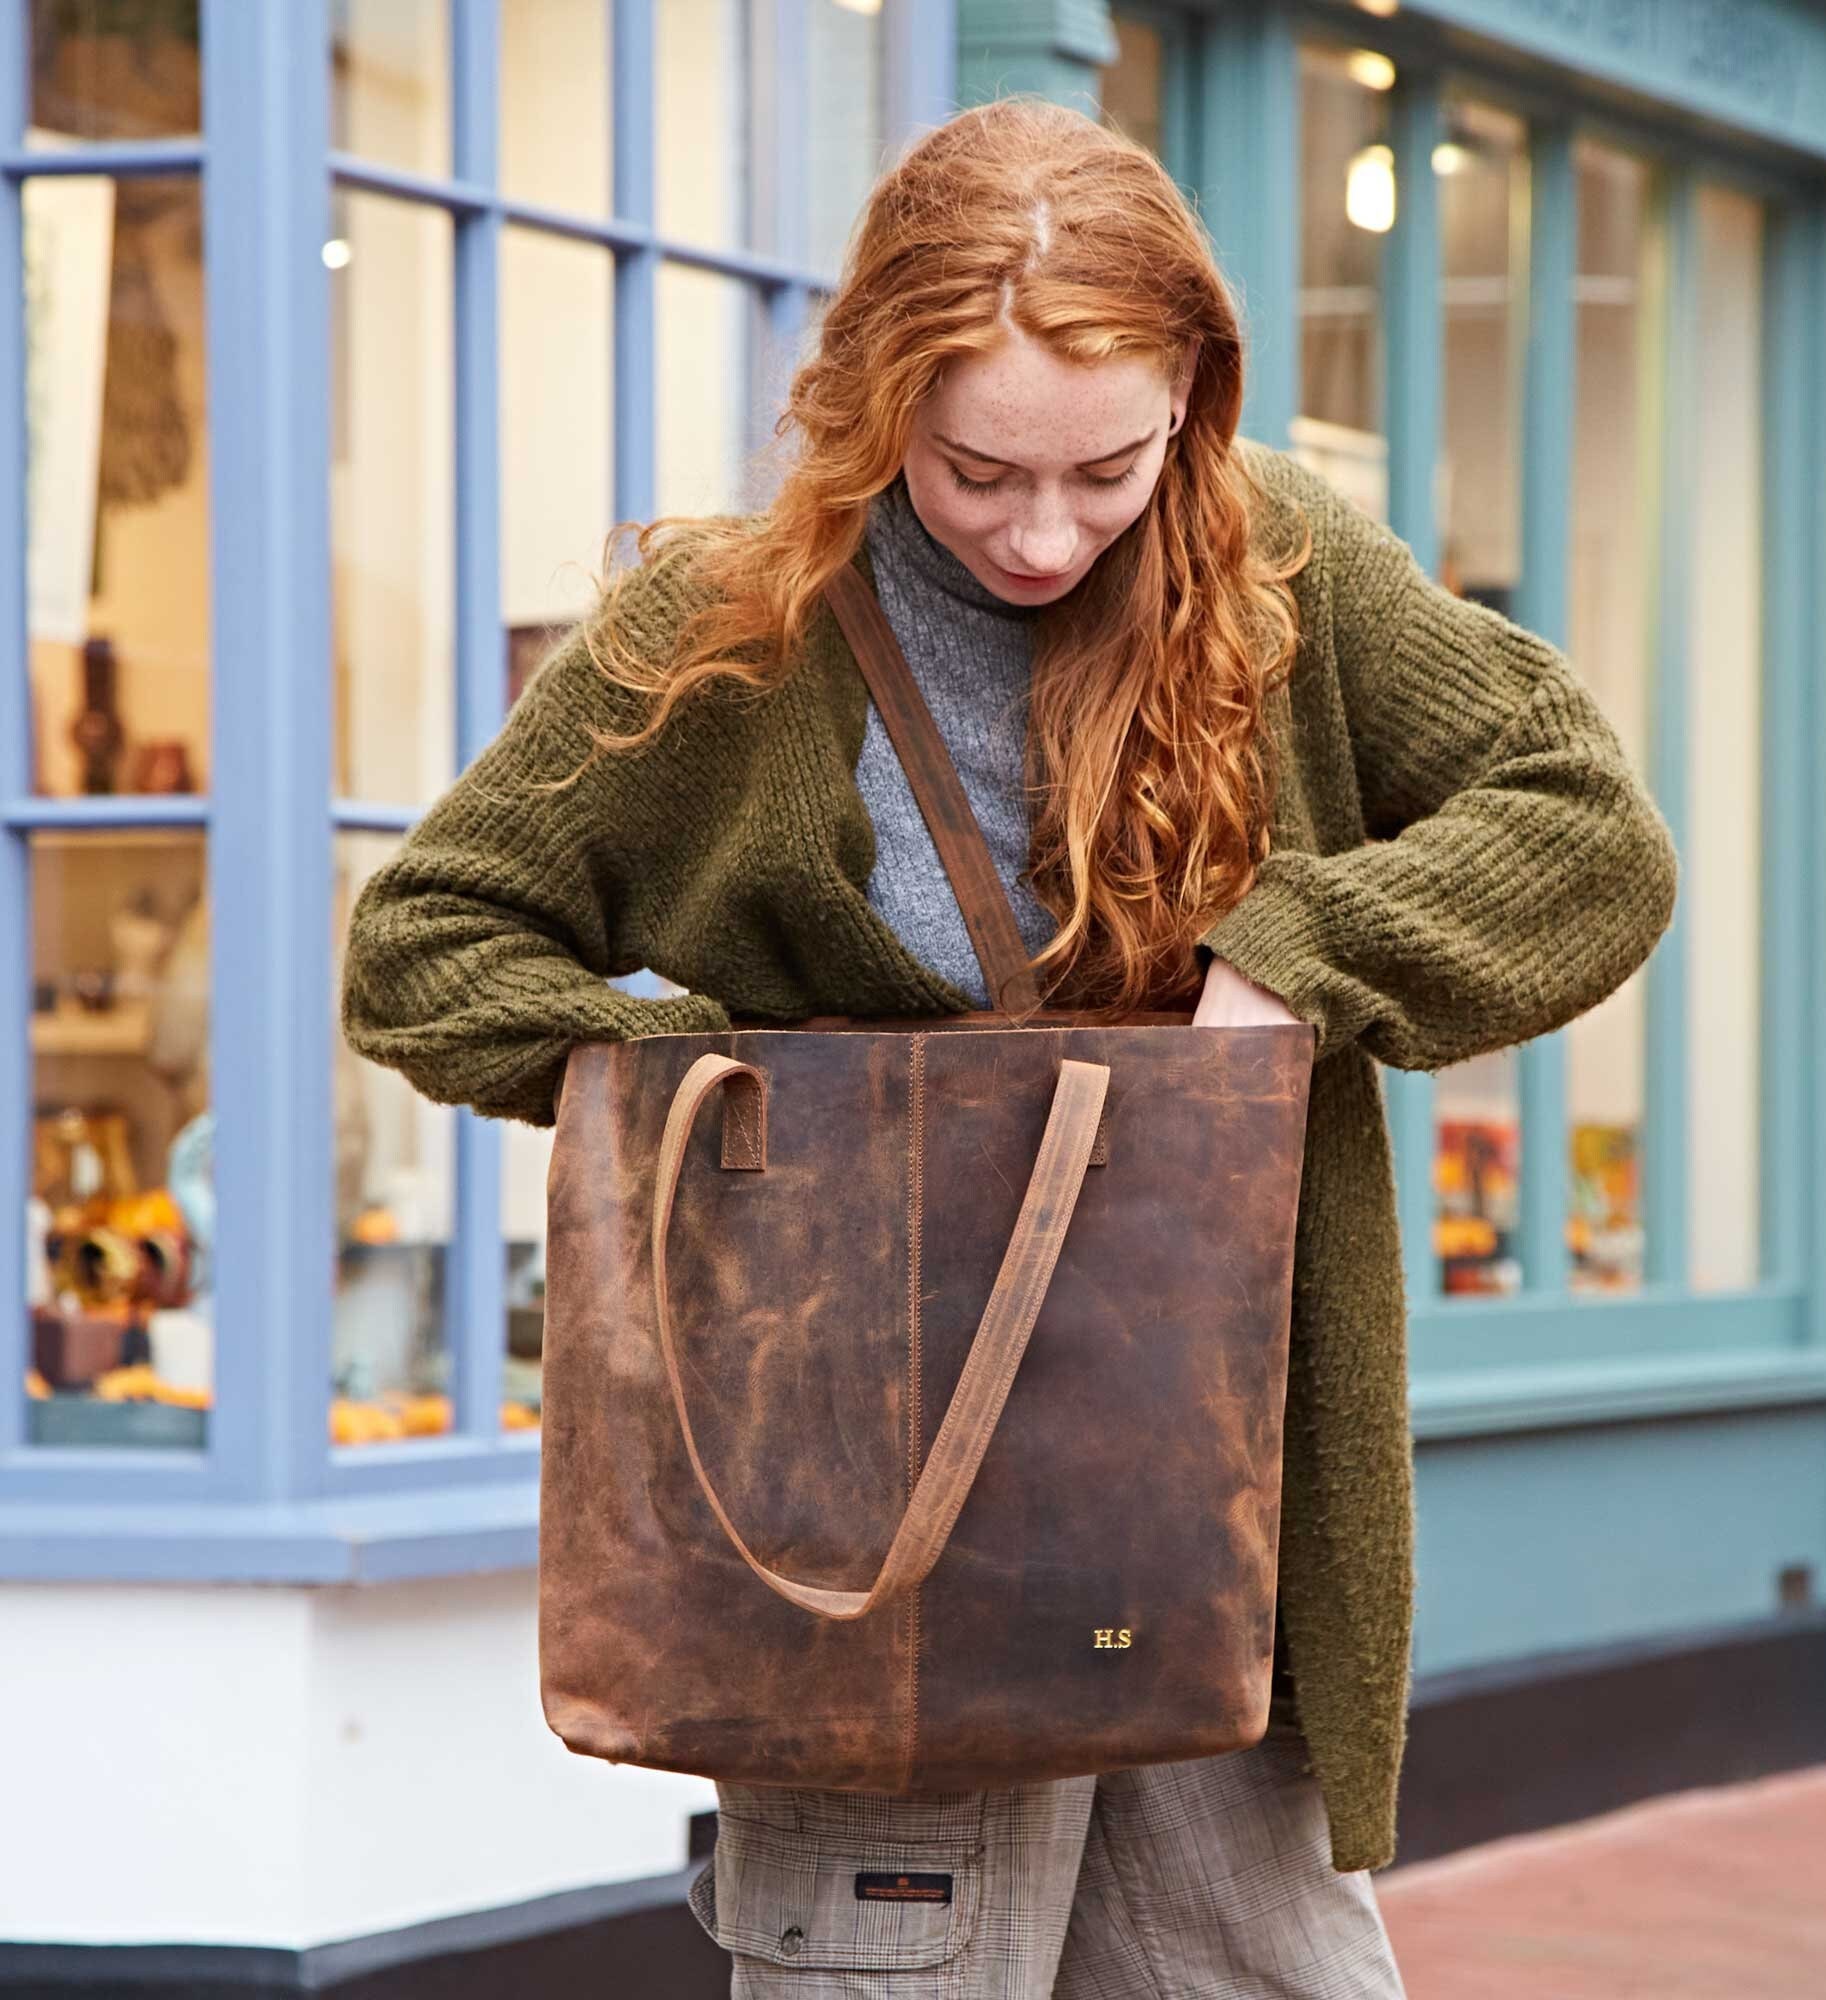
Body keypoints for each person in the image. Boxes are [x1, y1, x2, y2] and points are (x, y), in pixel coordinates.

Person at [341, 95, 1678, 1999]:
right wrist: (707, 1091)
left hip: (1212, 1505)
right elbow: (427, 945)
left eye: (1108, 471)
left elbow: (1588, 829)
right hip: (862, 1519)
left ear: (1191, 402)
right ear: (881, 400)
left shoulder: (1280, 567)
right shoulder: (726, 631)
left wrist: (1297, 958)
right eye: (976, 472)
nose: (1045, 532)